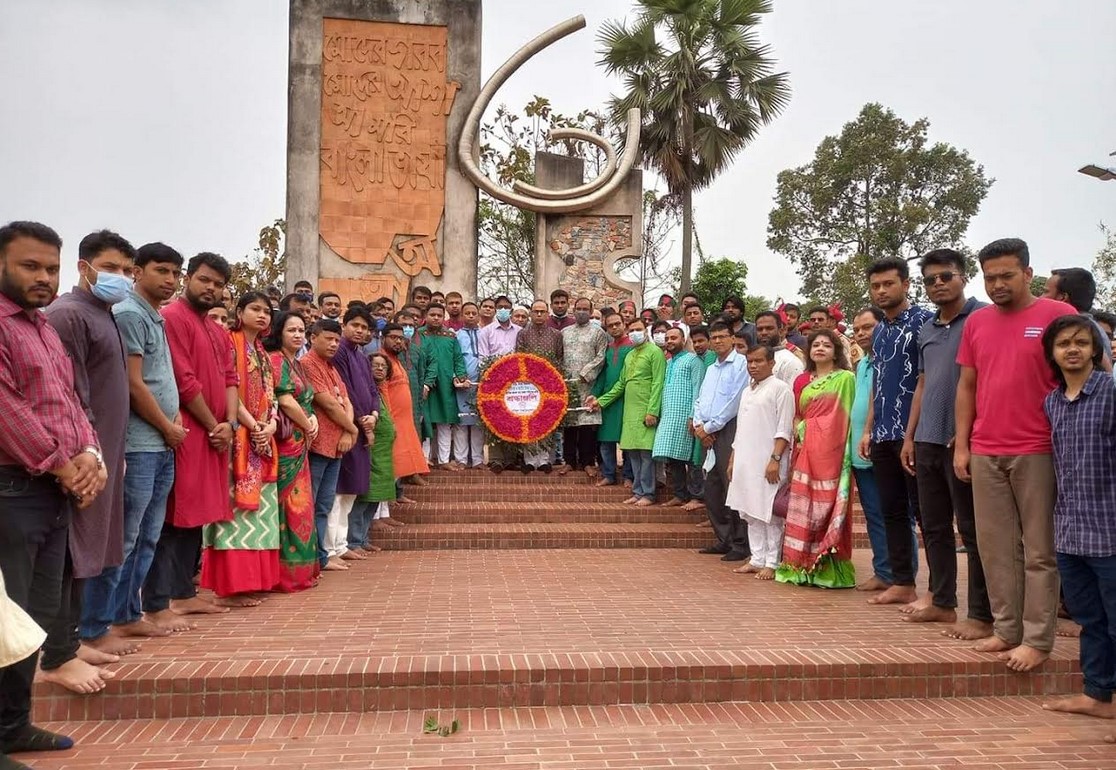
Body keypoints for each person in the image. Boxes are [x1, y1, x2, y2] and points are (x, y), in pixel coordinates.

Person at [0, 221, 104, 767]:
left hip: (51, 489)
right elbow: (7, 411)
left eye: (51, 268)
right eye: (30, 266)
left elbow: (70, 402)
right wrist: (65, 465)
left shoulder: (41, 328)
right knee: (3, 618)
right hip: (12, 491)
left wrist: (91, 455)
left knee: (33, 614)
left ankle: (14, 725)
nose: (43, 277)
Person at [954, 237, 1077, 672]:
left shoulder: (1059, 316)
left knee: (1040, 550)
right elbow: (967, 385)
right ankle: (1006, 629)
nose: (998, 284)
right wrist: (964, 445)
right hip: (987, 449)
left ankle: (1038, 639)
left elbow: (1092, 371)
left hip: (1041, 449)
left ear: (1029, 273)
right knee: (994, 548)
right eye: (990, 278)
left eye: (1007, 275)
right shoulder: (978, 322)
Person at [37, 231, 134, 691]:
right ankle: (56, 652)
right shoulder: (68, 315)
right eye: (112, 268)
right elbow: (69, 394)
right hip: (78, 459)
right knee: (69, 555)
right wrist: (89, 451)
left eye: (126, 271)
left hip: (105, 454)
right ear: (84, 266)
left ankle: (72, 642)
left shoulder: (104, 314)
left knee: (89, 551)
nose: (121, 278)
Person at [85, 244, 186, 654]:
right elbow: (133, 382)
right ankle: (95, 625)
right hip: (140, 443)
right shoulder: (128, 312)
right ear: (139, 272)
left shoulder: (153, 316)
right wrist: (167, 425)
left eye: (175, 273)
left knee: (146, 536)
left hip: (160, 443)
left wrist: (172, 423)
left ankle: (127, 615)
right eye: (161, 270)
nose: (169, 279)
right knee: (124, 538)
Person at [899, 250, 993, 638]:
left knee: (972, 530)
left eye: (946, 276)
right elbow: (922, 383)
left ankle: (982, 615)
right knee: (933, 525)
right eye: (930, 279)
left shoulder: (985, 318)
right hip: (926, 441)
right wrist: (909, 436)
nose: (938, 284)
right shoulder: (927, 328)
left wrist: (969, 435)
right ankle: (942, 602)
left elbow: (987, 381)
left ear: (963, 277)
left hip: (965, 443)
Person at [151, 252, 239, 623]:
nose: (211, 288)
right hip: (187, 431)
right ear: (188, 277)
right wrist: (211, 424)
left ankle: (185, 591)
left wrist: (230, 425)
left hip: (216, 435)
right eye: (205, 280)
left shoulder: (217, 330)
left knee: (199, 515)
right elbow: (184, 381)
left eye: (218, 284)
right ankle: (165, 596)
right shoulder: (173, 318)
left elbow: (231, 379)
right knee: (175, 516)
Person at [1039, 315, 1116, 730]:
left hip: (1110, 529)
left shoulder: (1110, 392)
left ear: (1095, 349)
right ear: (1051, 353)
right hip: (1070, 530)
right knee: (1090, 620)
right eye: (1064, 343)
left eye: (1081, 342)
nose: (1073, 349)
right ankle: (1098, 694)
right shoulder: (1051, 403)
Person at [859, 257, 933, 609]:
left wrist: (911, 435)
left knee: (926, 513)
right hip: (883, 434)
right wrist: (868, 429)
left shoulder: (925, 322)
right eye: (876, 286)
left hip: (914, 435)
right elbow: (877, 382)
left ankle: (939, 590)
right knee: (891, 511)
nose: (882, 291)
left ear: (905, 284)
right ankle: (903, 582)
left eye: (888, 284)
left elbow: (925, 379)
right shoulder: (881, 331)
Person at [199, 291, 280, 605]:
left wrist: (270, 425)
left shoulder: (260, 349)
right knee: (234, 513)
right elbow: (227, 388)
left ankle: (255, 580)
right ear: (240, 311)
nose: (261, 315)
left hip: (261, 438)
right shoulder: (229, 342)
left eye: (266, 311)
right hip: (238, 439)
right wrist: (253, 425)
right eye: (255, 309)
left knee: (261, 514)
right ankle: (231, 586)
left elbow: (270, 394)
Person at [777, 329, 856, 588]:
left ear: (836, 351)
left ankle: (827, 571)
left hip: (831, 454)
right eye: (816, 345)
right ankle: (799, 566)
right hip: (805, 452)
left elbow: (843, 417)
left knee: (827, 507)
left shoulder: (845, 379)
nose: (820, 348)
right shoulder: (803, 380)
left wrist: (812, 428)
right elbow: (799, 414)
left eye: (826, 345)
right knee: (803, 508)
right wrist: (801, 428)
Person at [262, 311, 320, 592]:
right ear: (278, 332)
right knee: (287, 507)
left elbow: (307, 399)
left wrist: (313, 420)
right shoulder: (275, 360)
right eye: (291, 330)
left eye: (301, 330)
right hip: (286, 444)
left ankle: (302, 571)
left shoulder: (297, 363)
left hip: (301, 443)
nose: (298, 335)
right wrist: (307, 424)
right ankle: (283, 574)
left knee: (302, 507)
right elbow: (284, 399)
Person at [726, 344, 795, 580]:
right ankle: (756, 558)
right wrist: (734, 458)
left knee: (769, 512)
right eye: (750, 362)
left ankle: (772, 562)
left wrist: (775, 459)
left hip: (769, 461)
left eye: (758, 361)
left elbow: (785, 429)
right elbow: (741, 429)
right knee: (750, 511)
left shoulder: (780, 389)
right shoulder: (748, 390)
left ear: (772, 363)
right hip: (746, 460)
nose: (753, 366)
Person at [848, 307, 903, 593]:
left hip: (881, 446)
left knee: (891, 513)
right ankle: (884, 570)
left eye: (867, 327)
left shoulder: (888, 359)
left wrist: (868, 431)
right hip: (860, 452)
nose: (861, 334)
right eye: (857, 330)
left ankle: (896, 573)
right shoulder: (862, 364)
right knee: (874, 514)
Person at [586, 317, 666, 505]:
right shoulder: (630, 355)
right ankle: (638, 491)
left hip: (646, 408)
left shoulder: (655, 352)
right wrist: (601, 402)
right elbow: (620, 385)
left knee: (646, 454)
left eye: (639, 329)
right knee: (634, 452)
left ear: (646, 331)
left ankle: (649, 493)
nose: (635, 333)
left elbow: (658, 382)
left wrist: (652, 410)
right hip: (629, 410)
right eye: (632, 330)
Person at [302, 319, 359, 573]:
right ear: (312, 338)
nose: (334, 344)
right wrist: (353, 428)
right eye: (329, 338)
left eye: (337, 340)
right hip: (317, 445)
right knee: (311, 503)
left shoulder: (332, 368)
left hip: (336, 445)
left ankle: (320, 556)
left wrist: (347, 429)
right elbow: (327, 403)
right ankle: (310, 557)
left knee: (324, 503)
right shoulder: (307, 364)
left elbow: (345, 400)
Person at [692, 322, 751, 559]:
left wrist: (709, 427)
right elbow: (700, 399)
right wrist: (699, 425)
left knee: (731, 486)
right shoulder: (712, 368)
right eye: (713, 337)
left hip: (729, 430)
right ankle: (723, 539)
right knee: (712, 488)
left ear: (732, 337)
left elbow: (735, 402)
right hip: (707, 433)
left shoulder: (741, 365)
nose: (717, 341)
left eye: (722, 336)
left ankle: (740, 543)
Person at [331, 306, 380, 562]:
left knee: (352, 490)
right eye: (355, 326)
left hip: (363, 427)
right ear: (344, 324)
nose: (359, 331)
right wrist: (363, 422)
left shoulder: (361, 355)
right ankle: (333, 548)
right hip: (348, 428)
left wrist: (374, 413)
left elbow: (372, 389)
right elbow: (346, 391)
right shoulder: (338, 352)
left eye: (364, 328)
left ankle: (342, 544)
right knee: (339, 490)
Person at [349, 353, 399, 552]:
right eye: (375, 365)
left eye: (383, 366)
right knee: (363, 499)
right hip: (369, 452)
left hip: (384, 456)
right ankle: (353, 541)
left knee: (375, 499)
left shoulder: (378, 392)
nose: (379, 369)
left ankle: (363, 539)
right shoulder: (365, 393)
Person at [652, 327, 706, 510]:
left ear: (683, 340)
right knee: (673, 457)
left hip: (687, 417)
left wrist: (693, 416)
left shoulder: (693, 361)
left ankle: (697, 497)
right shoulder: (667, 363)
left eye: (674, 337)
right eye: (667, 338)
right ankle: (679, 494)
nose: (669, 341)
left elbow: (698, 389)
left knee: (692, 458)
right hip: (669, 416)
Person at [380, 323, 431, 496]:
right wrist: (387, 418)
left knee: (401, 460)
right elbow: (382, 391)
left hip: (404, 420)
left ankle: (397, 496)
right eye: (393, 338)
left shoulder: (397, 360)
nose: (398, 342)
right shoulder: (381, 360)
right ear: (382, 338)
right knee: (392, 461)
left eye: (401, 338)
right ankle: (388, 504)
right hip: (391, 419)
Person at [562, 298, 609, 475]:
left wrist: (586, 372)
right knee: (570, 425)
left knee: (587, 426)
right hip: (569, 386)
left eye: (585, 309)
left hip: (589, 385)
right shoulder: (564, 332)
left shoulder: (598, 333)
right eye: (578, 308)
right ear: (573, 311)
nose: (581, 312)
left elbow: (601, 356)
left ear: (591, 312)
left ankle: (588, 461)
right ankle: (569, 461)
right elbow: (559, 356)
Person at [517, 299, 565, 472]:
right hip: (528, 384)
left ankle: (545, 459)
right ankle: (529, 459)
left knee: (547, 420)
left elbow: (559, 359)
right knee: (528, 420)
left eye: (542, 311)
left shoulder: (556, 335)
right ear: (531, 313)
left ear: (547, 314)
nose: (538, 314)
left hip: (549, 383)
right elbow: (519, 357)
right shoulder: (523, 334)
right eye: (535, 311)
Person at [419, 304, 466, 469]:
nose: (436, 318)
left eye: (439, 315)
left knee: (445, 422)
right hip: (423, 384)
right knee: (424, 421)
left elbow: (458, 359)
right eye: (432, 314)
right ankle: (423, 459)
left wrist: (461, 377)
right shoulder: (419, 335)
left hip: (446, 385)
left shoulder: (450, 336)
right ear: (426, 315)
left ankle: (444, 460)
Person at [594, 312, 633, 487]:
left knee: (627, 440)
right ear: (606, 328)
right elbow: (602, 374)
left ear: (624, 324)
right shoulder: (608, 348)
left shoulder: (633, 347)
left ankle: (628, 476)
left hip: (627, 399)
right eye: (610, 325)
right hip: (607, 400)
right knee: (606, 439)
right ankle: (609, 474)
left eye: (618, 324)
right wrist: (595, 395)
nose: (615, 327)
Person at [1042, 267, 1113, 362]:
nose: (1040, 297)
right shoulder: (1092, 329)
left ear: (1063, 297)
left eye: (1046, 292)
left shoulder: (1080, 331)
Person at [454, 302, 485, 468]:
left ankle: (478, 459)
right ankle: (461, 460)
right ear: (462, 316)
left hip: (482, 383)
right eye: (468, 313)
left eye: (474, 313)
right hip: (462, 382)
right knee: (462, 420)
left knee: (478, 422)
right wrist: (457, 377)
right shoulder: (456, 335)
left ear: (478, 315)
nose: (471, 316)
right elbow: (454, 357)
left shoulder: (485, 333)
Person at [754, 310, 805, 384]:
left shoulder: (789, 362)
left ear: (781, 331)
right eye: (760, 329)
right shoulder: (753, 359)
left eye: (769, 328)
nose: (764, 332)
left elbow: (792, 394)